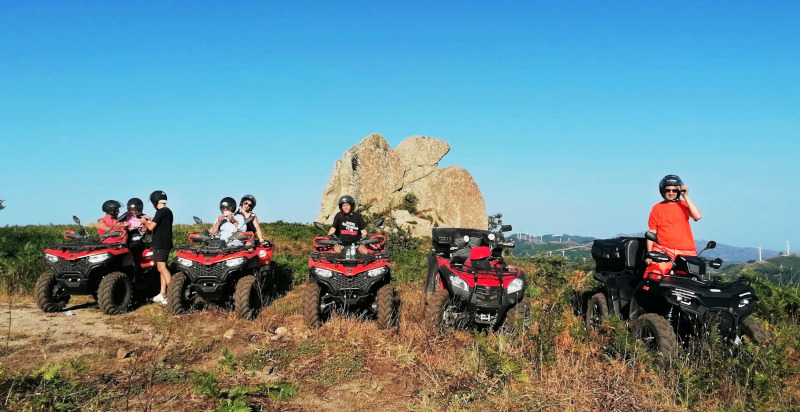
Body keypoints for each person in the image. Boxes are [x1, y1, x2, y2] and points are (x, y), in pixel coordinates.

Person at [644, 175, 702, 277]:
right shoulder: (657, 208)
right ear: (663, 191)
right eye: (668, 190)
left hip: (686, 250)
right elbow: (652, 232)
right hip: (664, 249)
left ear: (678, 191)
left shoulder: (683, 204)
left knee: (692, 280)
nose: (671, 193)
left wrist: (686, 196)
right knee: (652, 276)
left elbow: (697, 216)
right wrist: (649, 254)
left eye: (674, 190)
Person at [140, 190, 173, 304]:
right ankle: (163, 293)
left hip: (160, 244)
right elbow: (158, 224)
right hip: (166, 243)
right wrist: (150, 219)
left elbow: (150, 228)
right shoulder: (167, 211)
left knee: (161, 268)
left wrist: (144, 221)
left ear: (155, 201)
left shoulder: (160, 212)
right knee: (162, 268)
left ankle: (174, 294)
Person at [122, 197, 147, 265]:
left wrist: (145, 227)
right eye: (132, 210)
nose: (134, 212)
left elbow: (149, 230)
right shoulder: (126, 215)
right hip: (126, 240)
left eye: (136, 210)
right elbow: (117, 222)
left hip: (137, 240)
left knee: (133, 248)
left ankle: (136, 267)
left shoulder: (144, 217)